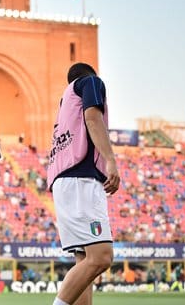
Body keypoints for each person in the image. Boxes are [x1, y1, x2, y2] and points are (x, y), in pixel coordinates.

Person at [46, 63, 120, 305]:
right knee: (101, 257)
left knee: (85, 261)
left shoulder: (64, 103)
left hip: (65, 180)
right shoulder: (90, 82)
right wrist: (110, 159)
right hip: (81, 179)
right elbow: (93, 117)